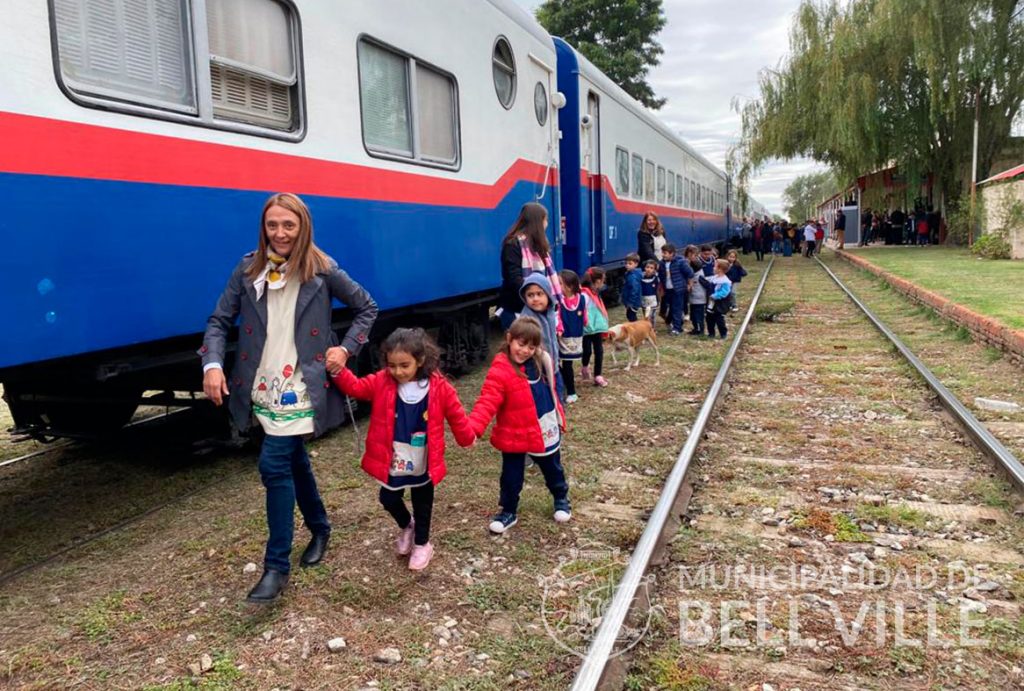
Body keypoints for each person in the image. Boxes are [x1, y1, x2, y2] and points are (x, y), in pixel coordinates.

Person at [201, 192, 378, 603]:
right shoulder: (248, 269)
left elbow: (367, 307)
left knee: (274, 464)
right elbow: (219, 321)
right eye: (272, 225)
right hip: (261, 382)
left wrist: (345, 349)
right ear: (264, 228)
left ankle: (275, 567)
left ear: (303, 228)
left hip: (301, 382)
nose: (280, 233)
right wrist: (211, 363)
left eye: (288, 225)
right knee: (292, 458)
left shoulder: (323, 269)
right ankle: (320, 527)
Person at [329, 328, 474, 571]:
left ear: (420, 360)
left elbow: (457, 415)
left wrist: (467, 438)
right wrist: (338, 371)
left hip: (424, 458)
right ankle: (408, 525)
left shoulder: (440, 387)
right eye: (392, 365)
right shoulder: (381, 381)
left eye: (404, 365)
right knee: (388, 497)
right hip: (392, 457)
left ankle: (422, 543)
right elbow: (356, 387)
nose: (398, 371)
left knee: (423, 502)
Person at [469, 317, 570, 535]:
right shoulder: (501, 369)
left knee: (552, 467)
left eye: (531, 346)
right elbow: (487, 400)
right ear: (509, 339)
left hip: (543, 427)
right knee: (511, 475)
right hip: (514, 431)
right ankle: (508, 511)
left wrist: (560, 411)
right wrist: (473, 428)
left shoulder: (542, 361)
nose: (525, 350)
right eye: (521, 344)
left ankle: (561, 498)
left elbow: (555, 388)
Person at [498, 202, 562, 330]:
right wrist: (536, 296)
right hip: (518, 309)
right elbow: (514, 279)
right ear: (537, 222)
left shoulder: (539, 246)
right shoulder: (513, 244)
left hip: (539, 308)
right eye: (545, 220)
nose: (547, 224)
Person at [557, 270, 587, 404]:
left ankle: (571, 391)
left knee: (567, 363)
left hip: (574, 336)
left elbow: (585, 317)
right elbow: (557, 317)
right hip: (562, 337)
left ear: (569, 287)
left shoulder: (581, 299)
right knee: (561, 363)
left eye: (560, 283)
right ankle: (566, 387)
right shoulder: (559, 301)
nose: (557, 286)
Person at [580, 267, 609, 387]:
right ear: (597, 281)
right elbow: (582, 309)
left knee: (599, 351)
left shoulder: (595, 293)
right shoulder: (584, 294)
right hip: (586, 328)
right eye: (603, 280)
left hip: (597, 327)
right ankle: (585, 367)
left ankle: (598, 375)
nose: (603, 283)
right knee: (587, 351)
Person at [659, 243, 692, 336]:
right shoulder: (662, 263)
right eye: (662, 253)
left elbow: (690, 273)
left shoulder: (680, 262)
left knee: (677, 308)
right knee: (672, 307)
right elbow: (661, 276)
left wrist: (688, 284)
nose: (663, 255)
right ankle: (677, 324)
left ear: (672, 253)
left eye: (665, 253)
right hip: (668, 289)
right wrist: (662, 288)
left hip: (678, 289)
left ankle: (677, 328)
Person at [700, 260, 733, 339]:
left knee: (719, 319)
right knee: (709, 318)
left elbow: (725, 292)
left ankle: (723, 333)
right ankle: (711, 333)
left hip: (720, 304)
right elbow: (708, 284)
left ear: (720, 269)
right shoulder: (714, 278)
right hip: (711, 303)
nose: (713, 268)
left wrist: (715, 295)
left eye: (715, 266)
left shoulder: (725, 281)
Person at [686, 250, 707, 336]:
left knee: (699, 316)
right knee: (694, 316)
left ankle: (700, 330)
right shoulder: (696, 275)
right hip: (694, 299)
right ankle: (696, 328)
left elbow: (707, 285)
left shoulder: (699, 277)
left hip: (699, 300)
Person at [621, 253, 643, 322]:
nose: (627, 265)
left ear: (636, 264)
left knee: (631, 316)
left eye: (630, 264)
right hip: (631, 301)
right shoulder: (629, 274)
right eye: (626, 263)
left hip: (633, 302)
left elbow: (634, 290)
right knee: (630, 315)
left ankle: (636, 329)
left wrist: (630, 303)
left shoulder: (632, 276)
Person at [640, 260, 660, 327]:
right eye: (647, 267)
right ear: (644, 268)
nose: (649, 269)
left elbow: (658, 290)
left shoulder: (656, 279)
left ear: (654, 270)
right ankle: (647, 328)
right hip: (644, 299)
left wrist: (658, 300)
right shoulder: (640, 277)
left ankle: (652, 329)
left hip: (653, 300)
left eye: (651, 268)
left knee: (651, 316)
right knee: (646, 315)